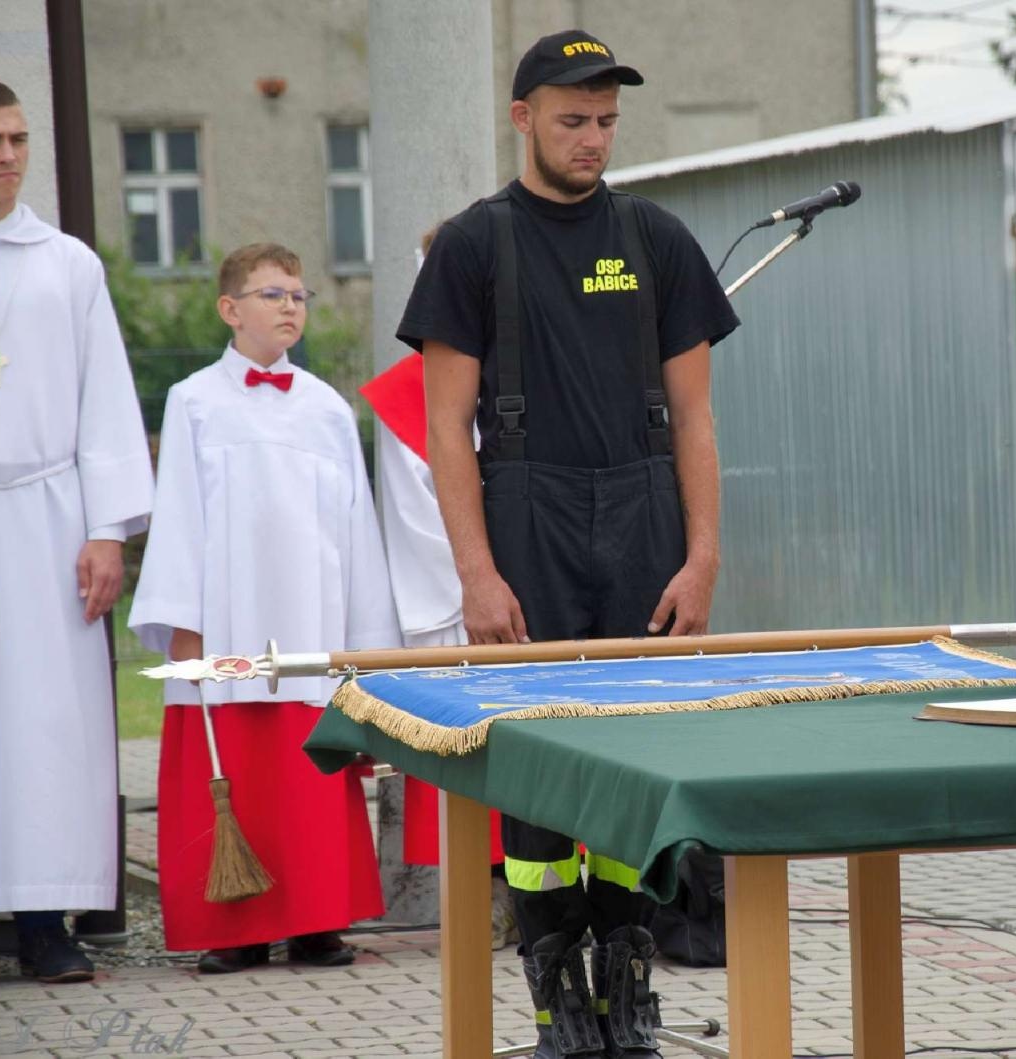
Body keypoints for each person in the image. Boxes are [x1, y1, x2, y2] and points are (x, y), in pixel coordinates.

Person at [397, 29, 739, 1059]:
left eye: (603, 122)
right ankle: (558, 998)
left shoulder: (656, 239)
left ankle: (629, 981)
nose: (591, 139)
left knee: (638, 754)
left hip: (643, 514)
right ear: (522, 119)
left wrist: (703, 555)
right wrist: (476, 573)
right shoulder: (472, 245)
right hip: (526, 515)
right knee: (539, 770)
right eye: (570, 120)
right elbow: (443, 428)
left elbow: (697, 421)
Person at [0, 77, 154, 989]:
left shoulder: (69, 264)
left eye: (18, 139)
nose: (9, 156)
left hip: (52, 520)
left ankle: (51, 920)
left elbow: (106, 403)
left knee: (54, 725)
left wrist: (107, 531)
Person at [128, 242, 400, 974]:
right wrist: (183, 615)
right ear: (229, 308)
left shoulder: (327, 408)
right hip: (229, 621)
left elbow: (355, 525)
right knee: (237, 776)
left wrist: (368, 646)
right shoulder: (194, 400)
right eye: (273, 293)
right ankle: (238, 927)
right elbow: (180, 512)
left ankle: (317, 922)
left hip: (312, 623)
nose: (290, 306)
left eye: (300, 295)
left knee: (306, 773)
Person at [359, 223, 516, 950]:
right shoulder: (401, 394)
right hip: (462, 603)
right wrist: (472, 586)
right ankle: (480, 894)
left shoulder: (526, 362)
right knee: (470, 757)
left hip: (534, 589)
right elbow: (414, 509)